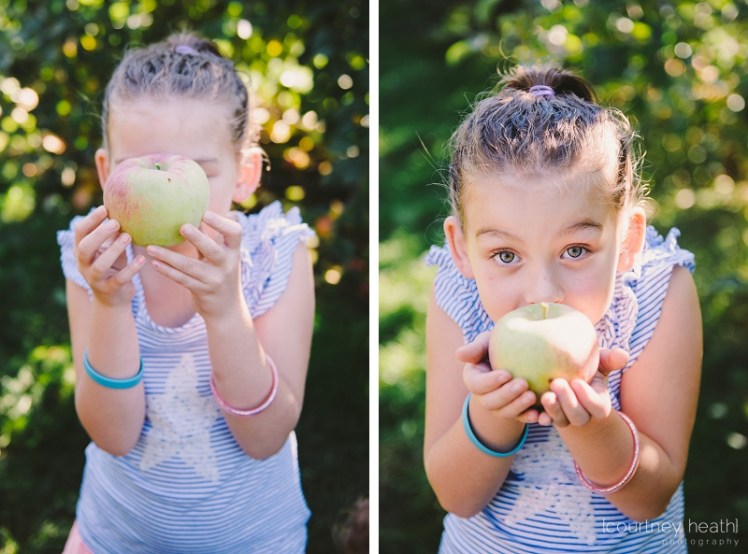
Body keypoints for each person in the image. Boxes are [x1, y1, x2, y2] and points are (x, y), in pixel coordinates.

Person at [424, 65, 702, 552]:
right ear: (462, 248)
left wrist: (595, 428)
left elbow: (650, 498)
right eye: (506, 256)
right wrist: (494, 413)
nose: (542, 293)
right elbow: (456, 496)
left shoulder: (661, 293)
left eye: (575, 250)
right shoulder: (458, 298)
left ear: (629, 238)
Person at [57, 32, 315, 553]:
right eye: (143, 169)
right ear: (107, 174)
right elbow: (113, 435)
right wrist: (109, 302)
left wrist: (224, 312)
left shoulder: (275, 255)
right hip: (119, 535)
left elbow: (265, 438)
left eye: (197, 170)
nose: (168, 187)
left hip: (252, 538)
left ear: (244, 176)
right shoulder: (94, 260)